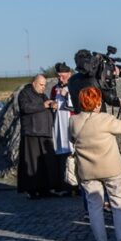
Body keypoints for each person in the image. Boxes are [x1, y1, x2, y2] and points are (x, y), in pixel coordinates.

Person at [70, 86, 121, 241]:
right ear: (97, 103)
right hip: (111, 169)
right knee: (119, 205)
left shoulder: (73, 121)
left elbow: (72, 139)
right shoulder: (105, 119)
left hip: (87, 171)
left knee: (94, 208)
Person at [17, 75, 59, 198]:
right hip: (32, 132)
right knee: (32, 163)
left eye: (44, 85)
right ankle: (32, 190)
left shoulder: (43, 95)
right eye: (41, 85)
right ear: (34, 83)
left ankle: (46, 188)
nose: (43, 87)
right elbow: (25, 108)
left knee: (45, 163)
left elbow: (45, 106)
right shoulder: (25, 93)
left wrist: (52, 105)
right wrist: (43, 105)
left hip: (44, 132)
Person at [49, 63, 75, 191]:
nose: (60, 79)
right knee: (60, 154)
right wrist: (52, 105)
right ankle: (62, 185)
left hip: (70, 123)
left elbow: (77, 105)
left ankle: (74, 185)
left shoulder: (74, 86)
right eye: (58, 76)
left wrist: (66, 95)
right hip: (58, 125)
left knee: (72, 153)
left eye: (63, 77)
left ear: (69, 74)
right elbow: (52, 102)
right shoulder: (55, 88)